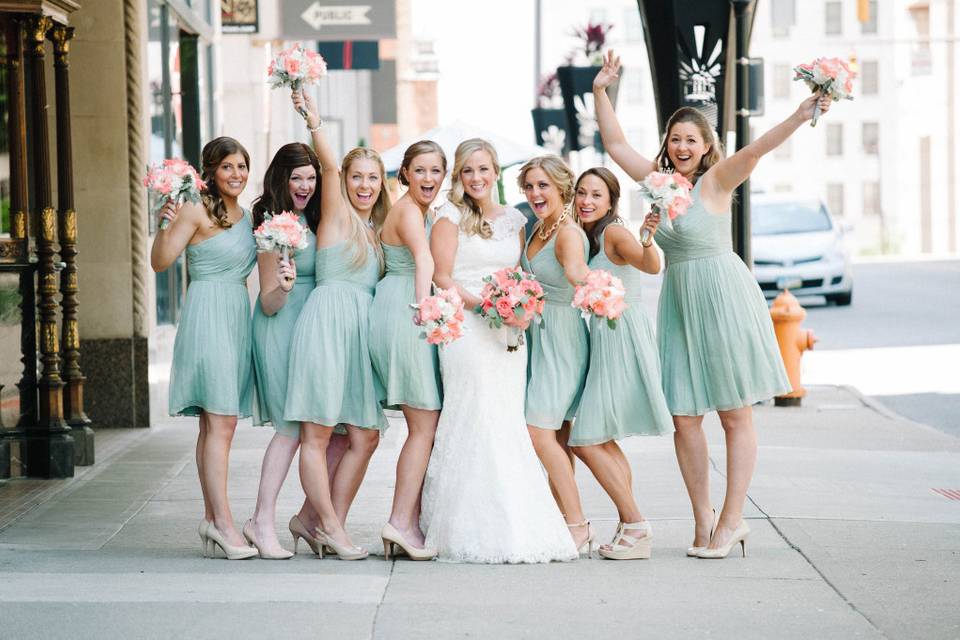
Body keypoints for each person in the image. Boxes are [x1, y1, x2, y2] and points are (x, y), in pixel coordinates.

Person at [593, 50, 832, 558]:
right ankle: (701, 517)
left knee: (734, 413)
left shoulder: (717, 181)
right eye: (674, 138)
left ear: (706, 148)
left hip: (722, 296)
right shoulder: (656, 185)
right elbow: (614, 142)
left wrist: (801, 111)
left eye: (691, 140)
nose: (681, 146)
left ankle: (731, 519)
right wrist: (601, 91)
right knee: (684, 417)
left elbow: (760, 147)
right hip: (680, 300)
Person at [420, 139, 577, 563]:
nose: (476, 178)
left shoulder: (514, 219)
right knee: (474, 415)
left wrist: (522, 307)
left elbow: (522, 272)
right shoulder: (448, 217)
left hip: (508, 332)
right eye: (468, 170)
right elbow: (443, 277)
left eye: (484, 169)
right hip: (467, 331)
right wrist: (487, 305)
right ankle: (463, 522)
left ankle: (519, 517)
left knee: (507, 420)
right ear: (459, 175)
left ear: (495, 173)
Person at [283, 91, 391, 560]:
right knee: (319, 434)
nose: (364, 185)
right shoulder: (337, 215)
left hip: (359, 336)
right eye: (356, 177)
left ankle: (323, 522)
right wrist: (314, 120)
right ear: (343, 181)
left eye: (373, 178)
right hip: (327, 325)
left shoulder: (377, 230)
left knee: (365, 435)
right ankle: (329, 526)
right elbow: (326, 166)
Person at [150, 136, 258, 560]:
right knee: (221, 423)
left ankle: (213, 518)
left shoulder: (250, 217)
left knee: (215, 425)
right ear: (211, 171)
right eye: (228, 166)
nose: (237, 174)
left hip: (236, 316)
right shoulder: (195, 208)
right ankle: (224, 523)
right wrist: (163, 222)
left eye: (242, 166)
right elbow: (160, 262)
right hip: (206, 315)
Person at [570, 167, 674, 560]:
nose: (586, 201)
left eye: (596, 195)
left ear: (611, 201)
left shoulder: (613, 232)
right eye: (581, 193)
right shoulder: (590, 234)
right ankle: (629, 526)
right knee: (602, 436)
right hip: (605, 336)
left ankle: (636, 524)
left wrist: (646, 239)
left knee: (587, 439)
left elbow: (651, 267)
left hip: (620, 335)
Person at [244, 107, 324, 559]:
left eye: (310, 178)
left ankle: (310, 520)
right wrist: (285, 287)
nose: (304, 186)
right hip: (279, 326)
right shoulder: (273, 223)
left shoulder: (313, 218)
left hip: (310, 331)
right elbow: (269, 300)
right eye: (297, 177)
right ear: (281, 179)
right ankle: (262, 520)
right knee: (291, 428)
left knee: (317, 427)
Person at [369, 140, 446, 561]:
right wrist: (425, 309)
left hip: (397, 304)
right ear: (405, 174)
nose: (429, 178)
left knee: (424, 424)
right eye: (420, 170)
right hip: (406, 311)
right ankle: (400, 522)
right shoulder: (409, 211)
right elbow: (423, 260)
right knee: (424, 424)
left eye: (436, 171)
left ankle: (408, 521)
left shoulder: (419, 211)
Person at [518, 155, 593, 556]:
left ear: (562, 187)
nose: (535, 193)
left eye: (543, 185)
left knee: (538, 431)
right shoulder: (537, 229)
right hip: (536, 339)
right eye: (529, 186)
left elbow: (577, 270)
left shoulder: (566, 234)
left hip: (562, 339)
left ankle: (578, 524)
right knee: (557, 439)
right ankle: (561, 517)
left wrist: (593, 285)